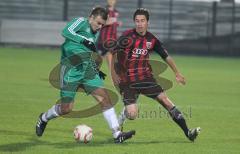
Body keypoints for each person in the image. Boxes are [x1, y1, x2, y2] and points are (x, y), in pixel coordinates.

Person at [35, 6, 135, 143]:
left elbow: (89, 52)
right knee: (66, 108)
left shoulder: (96, 32)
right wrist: (83, 39)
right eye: (98, 23)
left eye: (102, 24)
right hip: (70, 71)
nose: (100, 27)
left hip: (87, 70)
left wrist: (96, 69)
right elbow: (66, 31)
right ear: (91, 18)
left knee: (105, 99)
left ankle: (117, 134)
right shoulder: (80, 21)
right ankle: (44, 118)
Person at [115, 8, 200, 142]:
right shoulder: (126, 36)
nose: (139, 24)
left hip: (146, 77)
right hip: (129, 80)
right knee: (132, 115)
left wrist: (177, 73)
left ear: (147, 22)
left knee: (166, 101)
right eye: (137, 21)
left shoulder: (151, 39)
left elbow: (166, 56)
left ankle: (188, 132)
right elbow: (113, 54)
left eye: (142, 21)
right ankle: (119, 126)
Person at [97, 0, 122, 85]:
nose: (111, 1)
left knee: (110, 60)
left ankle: (114, 80)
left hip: (112, 40)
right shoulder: (104, 11)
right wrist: (109, 21)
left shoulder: (116, 12)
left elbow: (113, 24)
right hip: (104, 39)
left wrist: (117, 23)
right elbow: (100, 22)